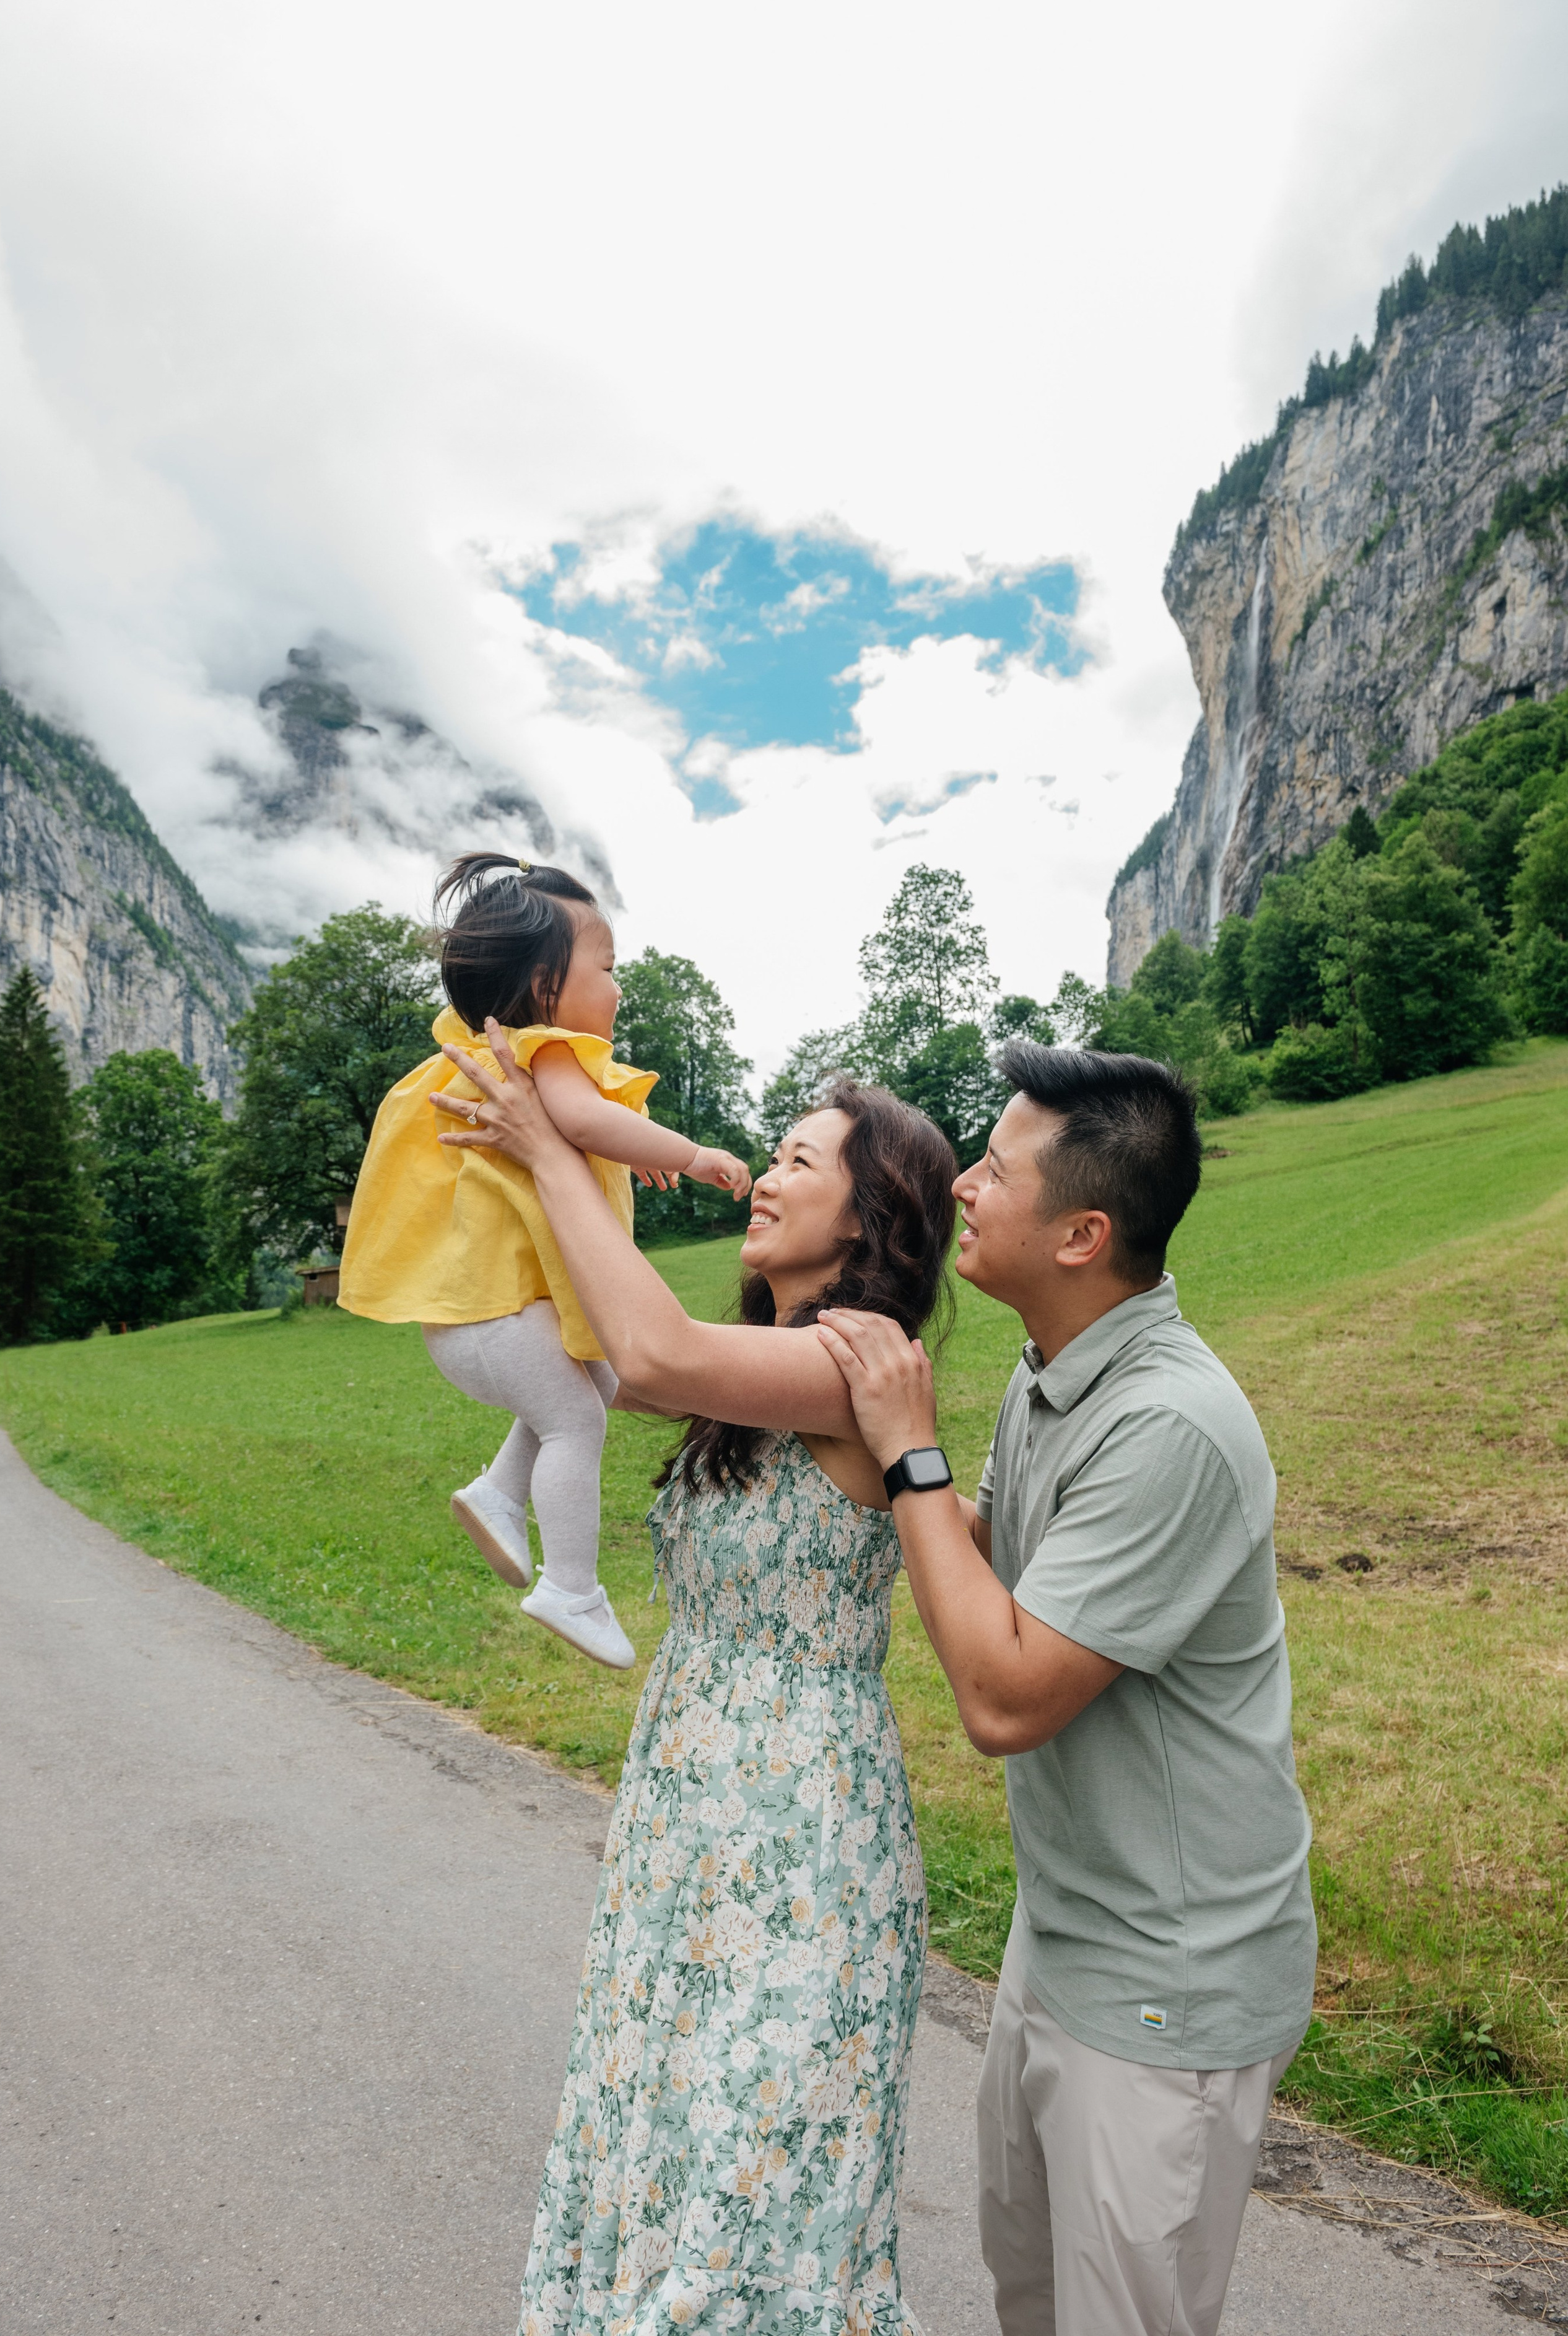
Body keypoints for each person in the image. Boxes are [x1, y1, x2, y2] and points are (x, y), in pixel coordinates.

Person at [429, 1035, 957, 2336]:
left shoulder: (849, 1365)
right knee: (660, 2136)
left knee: (752, 2176)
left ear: (869, 1219)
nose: (763, 1179)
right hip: (686, 1816)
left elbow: (648, 1355)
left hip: (801, 1834)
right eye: (769, 1155)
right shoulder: (750, 1366)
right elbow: (597, 1347)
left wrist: (554, 1147)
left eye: (795, 1161)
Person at [812, 1042, 1317, 2336]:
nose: (964, 1186)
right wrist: (850, 1433)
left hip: (1168, 1977)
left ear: (1083, 1230)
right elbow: (996, 1559)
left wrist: (912, 1458)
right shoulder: (1052, 1370)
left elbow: (1004, 1696)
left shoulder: (1167, 1424)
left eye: (994, 1167)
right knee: (1031, 2298)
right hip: (1066, 1931)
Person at [339, 854, 751, 1667]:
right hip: (494, 1318)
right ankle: (571, 1587)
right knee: (579, 1418)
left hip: (479, 1321)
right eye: (606, 967)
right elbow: (589, 1123)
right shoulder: (544, 1051)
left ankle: (497, 1495)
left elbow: (580, 1129)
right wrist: (692, 1151)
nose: (619, 987)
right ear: (544, 987)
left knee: (592, 1379)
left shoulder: (483, 1052)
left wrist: (632, 1149)